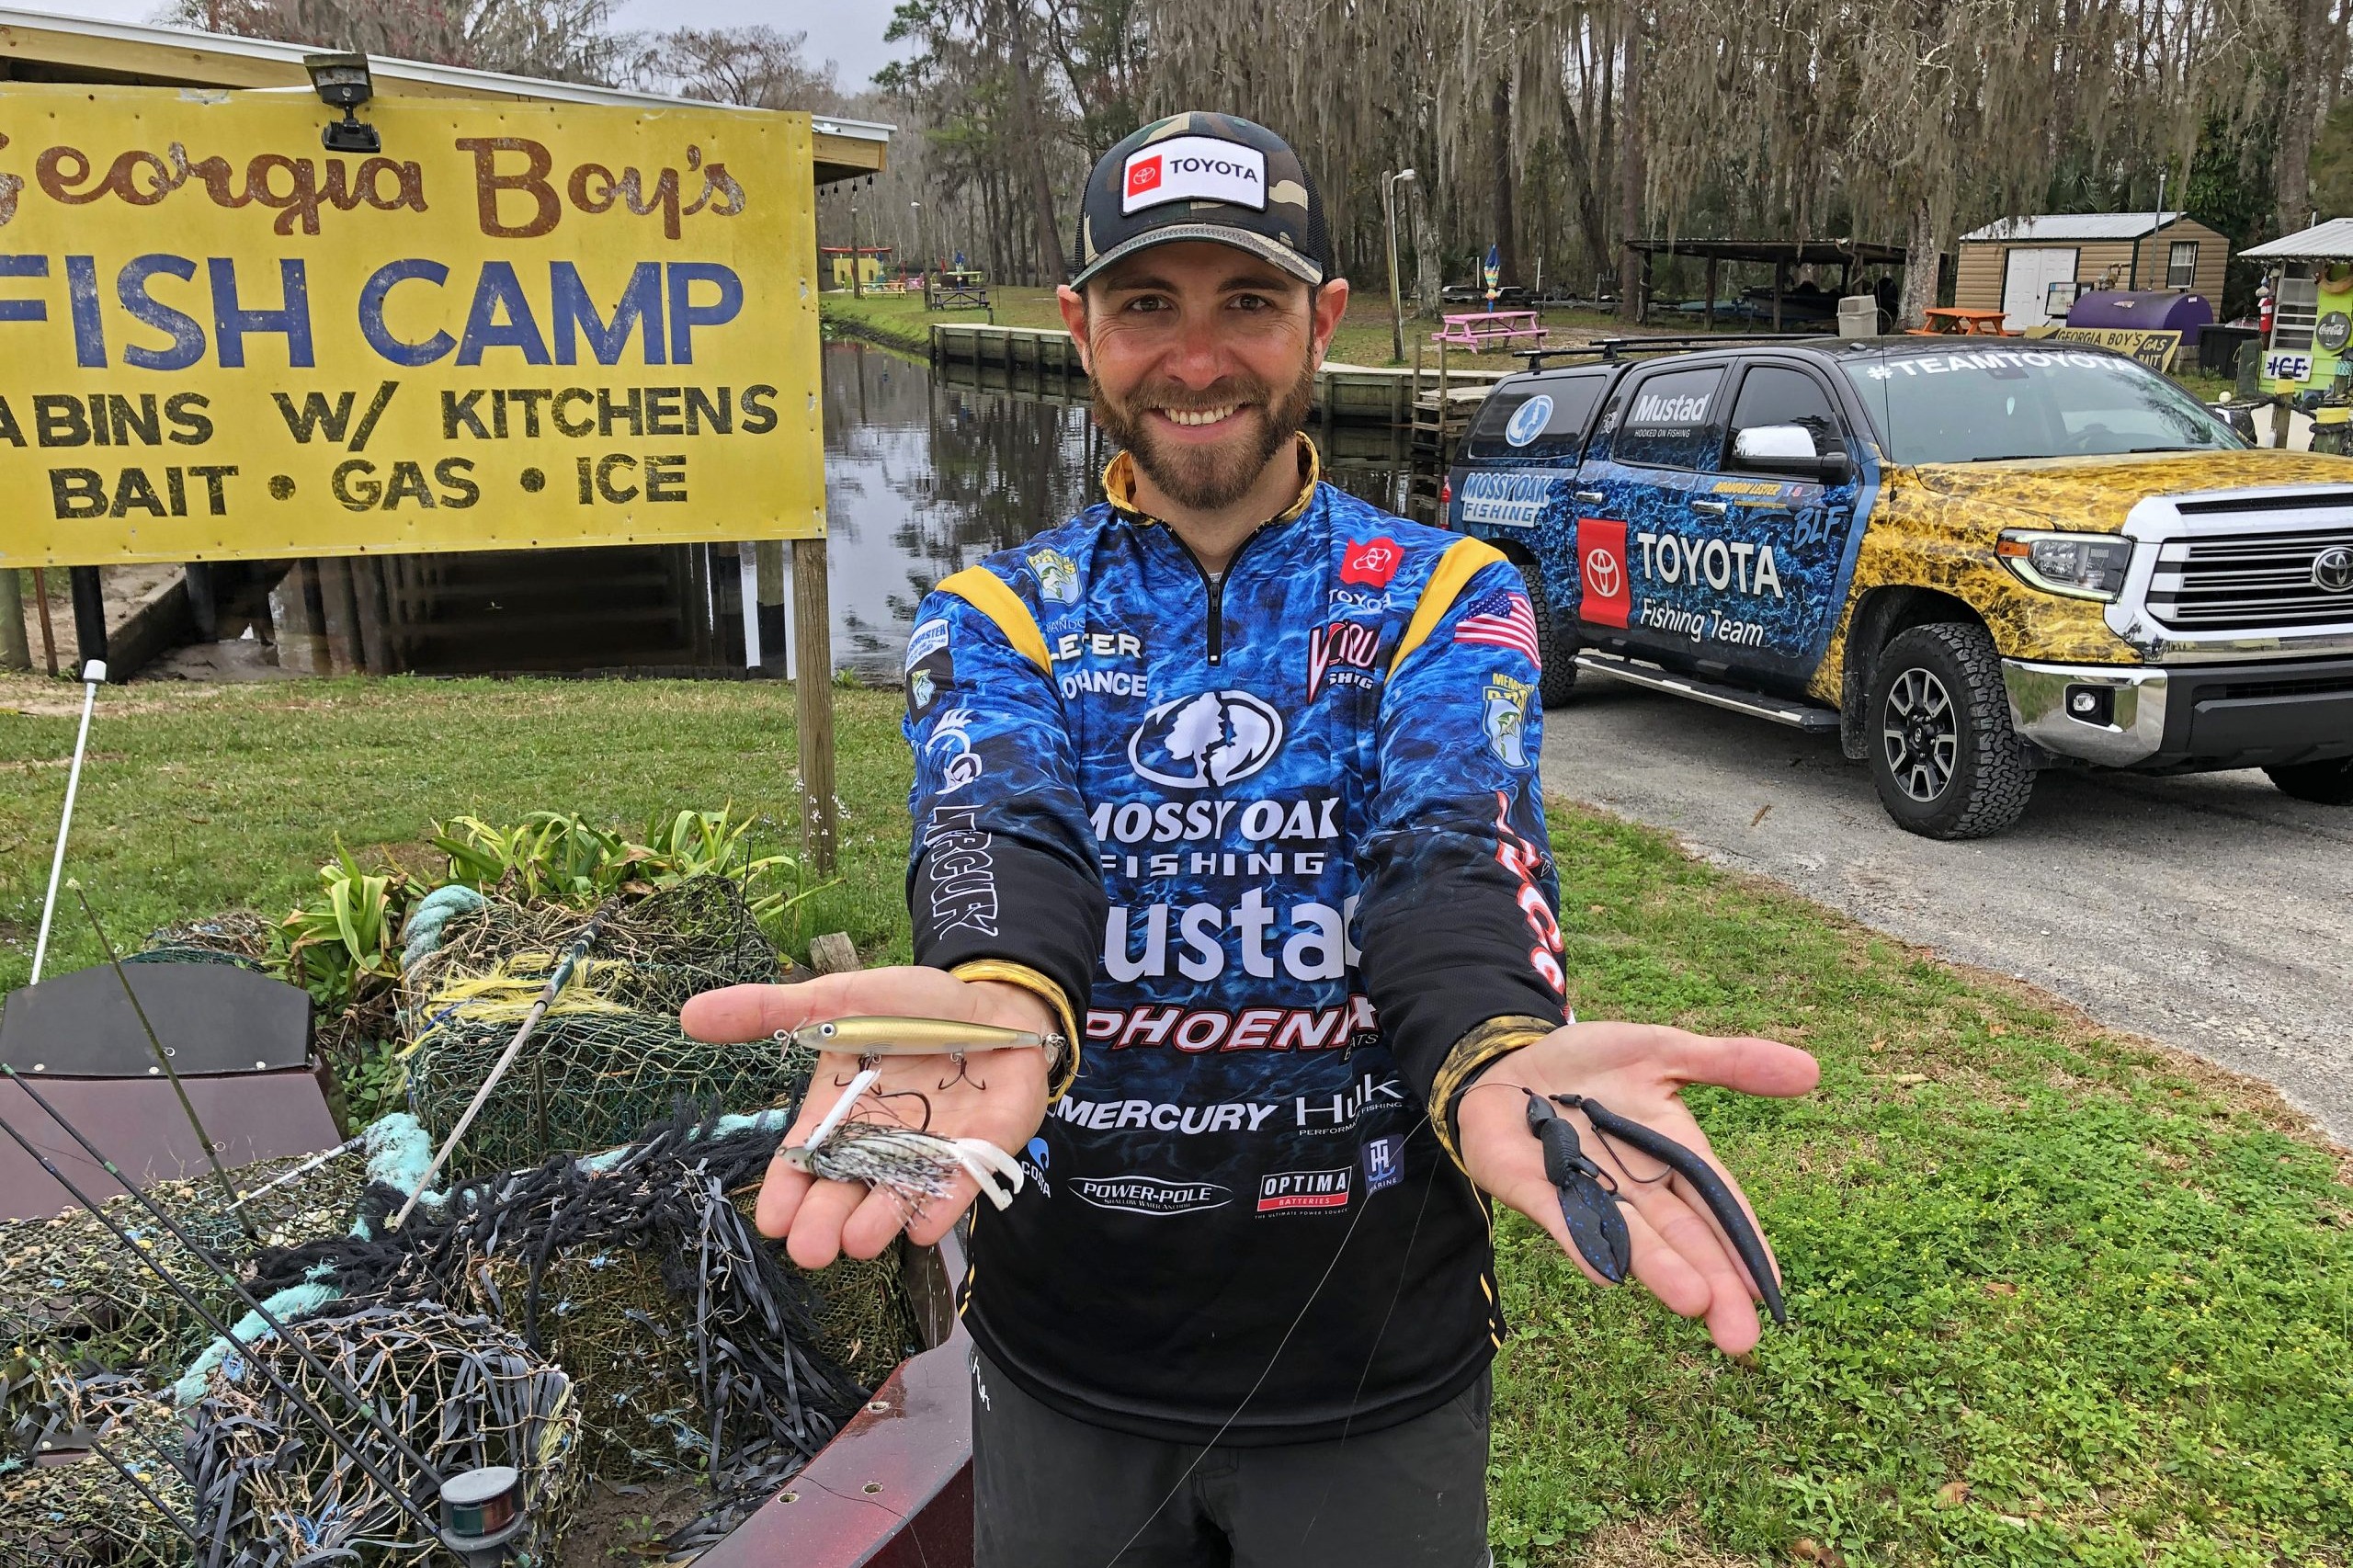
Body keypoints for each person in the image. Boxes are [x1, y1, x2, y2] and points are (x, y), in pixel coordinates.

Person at [683, 111, 1818, 1568]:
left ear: (1324, 321)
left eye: (1249, 303)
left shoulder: (1444, 594)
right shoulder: (997, 611)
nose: (1198, 357)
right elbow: (995, 830)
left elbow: (1450, 853)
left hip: (1376, 1367)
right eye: (1149, 305)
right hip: (1065, 1359)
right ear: (1079, 327)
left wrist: (1494, 1045)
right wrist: (999, 991)